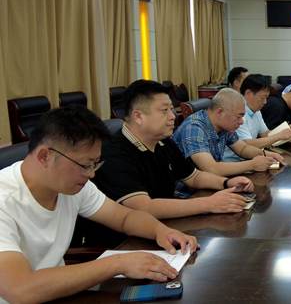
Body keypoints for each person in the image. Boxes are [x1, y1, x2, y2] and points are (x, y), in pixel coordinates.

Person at [0, 106, 197, 304]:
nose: (91, 174)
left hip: (59, 294)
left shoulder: (72, 186)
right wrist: (118, 263)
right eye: (85, 165)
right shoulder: (4, 199)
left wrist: (160, 231)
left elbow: (125, 217)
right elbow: (20, 289)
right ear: (45, 156)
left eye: (95, 164)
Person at [94, 80, 254, 219]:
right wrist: (209, 203)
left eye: (171, 109)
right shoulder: (114, 153)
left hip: (168, 223)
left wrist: (227, 183)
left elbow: (194, 177)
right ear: (138, 116)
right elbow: (144, 207)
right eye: (165, 111)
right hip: (129, 238)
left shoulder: (163, 141)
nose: (173, 116)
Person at [173, 88, 283, 177]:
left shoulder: (224, 125)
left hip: (213, 181)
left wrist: (266, 155)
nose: (242, 121)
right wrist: (252, 165)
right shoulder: (194, 128)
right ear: (220, 112)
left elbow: (242, 148)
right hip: (188, 192)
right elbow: (211, 168)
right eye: (239, 116)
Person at [223, 74, 291, 159]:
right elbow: (247, 144)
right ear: (248, 93)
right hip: (234, 160)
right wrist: (278, 136)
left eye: (266, 98)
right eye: (262, 98)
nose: (265, 102)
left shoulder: (256, 110)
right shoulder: (237, 113)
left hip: (249, 157)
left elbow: (265, 134)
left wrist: (286, 131)